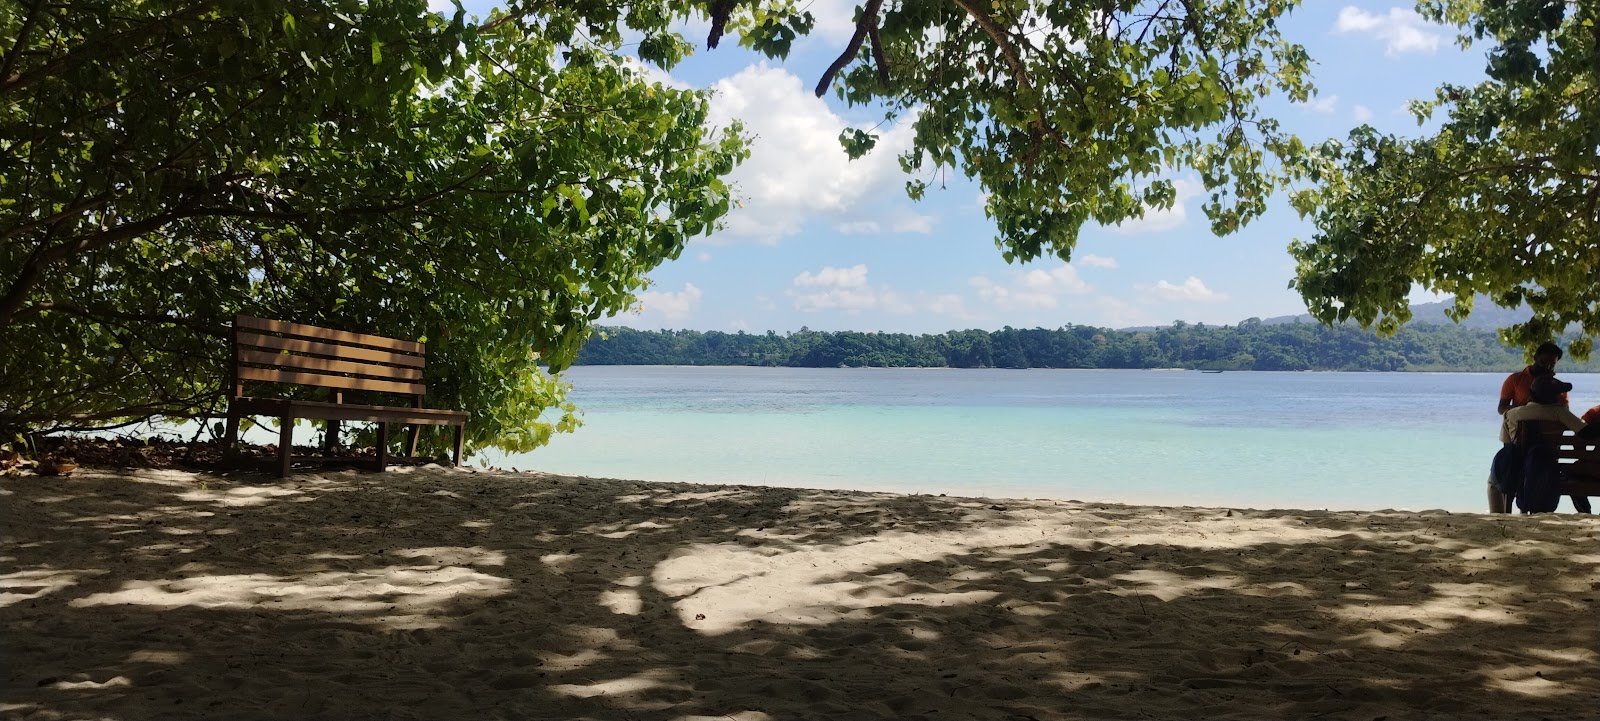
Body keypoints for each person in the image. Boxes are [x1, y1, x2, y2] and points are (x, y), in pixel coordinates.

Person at [1500, 375, 1594, 513]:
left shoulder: (1512, 414)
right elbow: (1586, 433)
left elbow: (1507, 445)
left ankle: (1504, 512)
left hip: (1518, 469)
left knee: (1495, 478)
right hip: (1549, 468)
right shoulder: (1559, 413)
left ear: (1531, 394)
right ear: (1554, 397)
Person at [1499, 342, 1566, 415]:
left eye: (1552, 365)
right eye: (1544, 361)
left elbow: (1565, 412)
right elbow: (1501, 408)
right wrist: (1527, 410)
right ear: (1535, 357)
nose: (1547, 366)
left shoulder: (1558, 386)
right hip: (1521, 421)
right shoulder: (1514, 379)